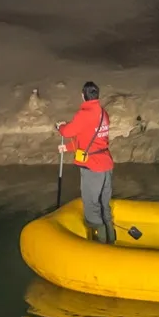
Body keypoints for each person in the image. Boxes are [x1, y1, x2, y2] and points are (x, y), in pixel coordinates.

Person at [58, 81, 116, 243]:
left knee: (91, 205)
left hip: (93, 167)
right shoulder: (103, 114)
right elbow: (91, 138)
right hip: (106, 164)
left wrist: (60, 128)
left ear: (83, 96)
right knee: (105, 204)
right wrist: (68, 148)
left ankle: (99, 247)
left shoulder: (85, 113)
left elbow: (69, 131)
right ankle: (112, 241)